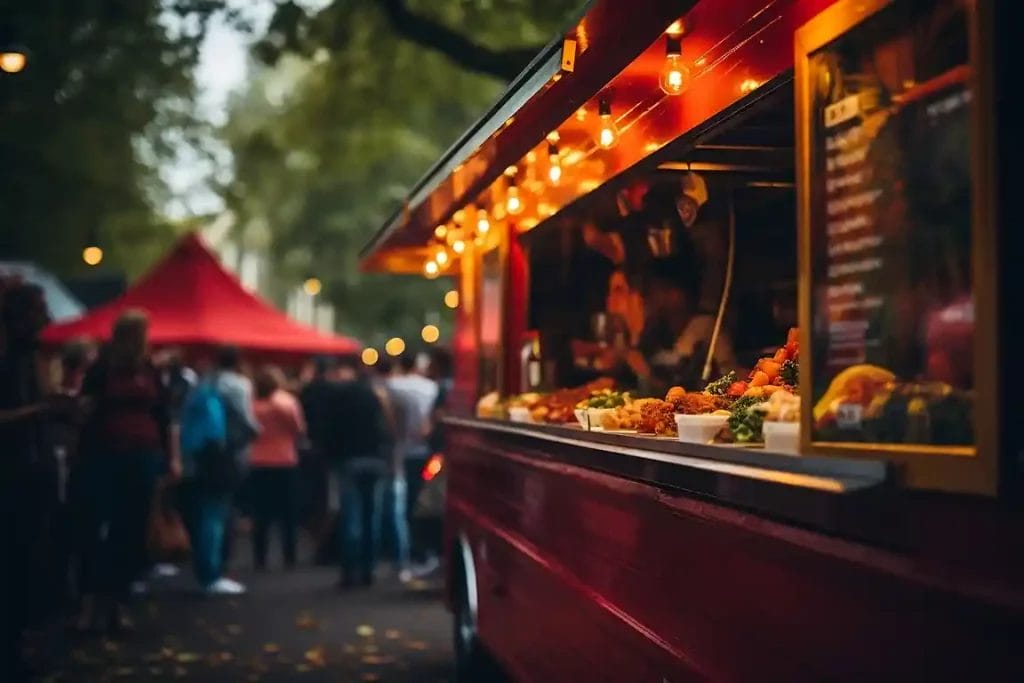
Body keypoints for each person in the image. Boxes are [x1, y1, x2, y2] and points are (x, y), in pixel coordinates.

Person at [76, 310, 174, 631]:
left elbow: (163, 414)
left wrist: (170, 457)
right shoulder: (103, 368)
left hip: (143, 452)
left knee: (131, 529)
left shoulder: (149, 370)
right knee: (95, 525)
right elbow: (87, 407)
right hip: (105, 451)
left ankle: (117, 600)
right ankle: (91, 600)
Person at [0, 280, 50, 681]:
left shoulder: (29, 356)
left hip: (29, 473)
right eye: (38, 311)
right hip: (10, 476)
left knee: (23, 563)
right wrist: (40, 411)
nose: (47, 320)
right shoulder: (9, 358)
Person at [327, 355, 391, 588]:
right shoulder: (377, 395)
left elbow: (331, 430)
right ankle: (368, 569)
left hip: (349, 460)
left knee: (351, 516)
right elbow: (388, 428)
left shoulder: (340, 396)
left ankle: (349, 571)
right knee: (370, 516)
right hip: (375, 459)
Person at [385, 353, 438, 582]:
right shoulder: (431, 387)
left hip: (402, 451)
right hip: (427, 451)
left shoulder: (393, 387)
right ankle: (424, 552)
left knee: (405, 506)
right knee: (425, 502)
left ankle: (408, 554)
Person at [248, 365, 306, 570]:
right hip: (285, 459)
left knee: (260, 512)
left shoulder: (251, 403)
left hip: (258, 459)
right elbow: (299, 429)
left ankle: (260, 556)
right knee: (288, 512)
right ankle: (289, 555)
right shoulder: (287, 402)